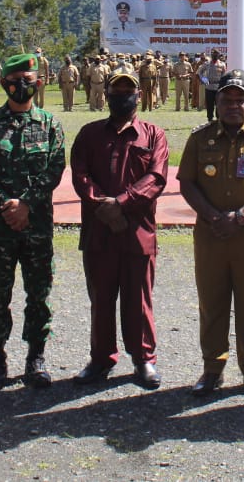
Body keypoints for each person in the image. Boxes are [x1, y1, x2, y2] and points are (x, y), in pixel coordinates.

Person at [178, 69, 244, 399]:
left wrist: (240, 216)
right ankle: (212, 368)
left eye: (241, 99)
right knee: (212, 301)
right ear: (218, 101)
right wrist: (213, 217)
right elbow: (187, 182)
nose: (233, 105)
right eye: (227, 99)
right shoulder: (200, 138)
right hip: (211, 235)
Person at [69, 65, 169, 389]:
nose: (122, 96)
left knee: (138, 299)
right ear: (107, 94)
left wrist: (122, 203)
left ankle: (144, 360)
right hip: (99, 231)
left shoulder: (154, 135)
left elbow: (156, 178)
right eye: (117, 91)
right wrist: (103, 204)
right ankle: (101, 359)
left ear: (139, 95)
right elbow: (80, 174)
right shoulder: (89, 134)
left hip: (137, 232)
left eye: (128, 91)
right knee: (101, 298)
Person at [0, 53, 67, 389]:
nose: (21, 86)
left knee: (39, 294)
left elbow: (54, 170)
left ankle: (35, 359)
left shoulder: (51, 124)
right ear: (3, 84)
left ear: (38, 83)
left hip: (37, 227)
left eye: (28, 80)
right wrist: (7, 205)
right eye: (15, 81)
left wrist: (26, 204)